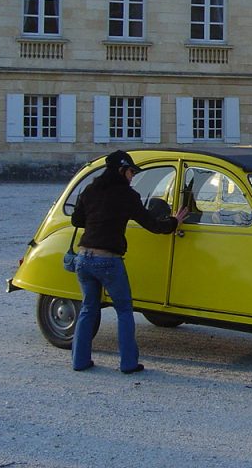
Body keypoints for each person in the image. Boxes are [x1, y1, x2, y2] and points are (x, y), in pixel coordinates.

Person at [70, 150, 188, 373]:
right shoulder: (127, 196)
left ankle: (79, 360)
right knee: (124, 310)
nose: (132, 176)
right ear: (121, 170)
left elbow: (77, 220)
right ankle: (128, 363)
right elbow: (153, 225)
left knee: (88, 308)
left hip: (83, 258)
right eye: (131, 172)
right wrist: (174, 221)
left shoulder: (91, 190)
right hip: (108, 260)